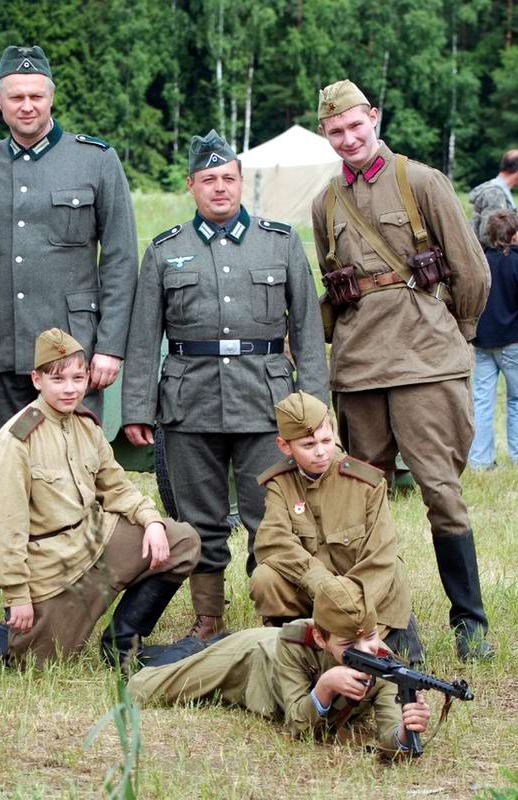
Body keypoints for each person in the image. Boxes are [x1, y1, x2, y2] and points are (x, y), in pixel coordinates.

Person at [310, 79, 493, 661]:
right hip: (360, 370)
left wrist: (455, 338)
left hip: (425, 365)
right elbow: (334, 286)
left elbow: (472, 271)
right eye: (336, 131)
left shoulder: (421, 182)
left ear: (374, 117)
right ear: (325, 135)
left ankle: (470, 623)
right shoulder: (325, 203)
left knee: (442, 491)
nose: (348, 138)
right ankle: (384, 623)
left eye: (356, 125)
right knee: (364, 503)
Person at [121, 130, 327, 641]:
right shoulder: (167, 251)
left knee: (271, 518)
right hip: (189, 403)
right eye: (208, 179)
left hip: (267, 403)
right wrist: (136, 409)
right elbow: (144, 337)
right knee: (199, 519)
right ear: (191, 185)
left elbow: (307, 328)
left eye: (228, 179)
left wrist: (316, 409)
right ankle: (209, 619)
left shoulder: (279, 243)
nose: (219, 188)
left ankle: (276, 619)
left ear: (242, 183)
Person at [0, 329, 200, 668]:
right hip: (53, 563)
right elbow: (4, 525)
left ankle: (121, 643)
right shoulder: (17, 440)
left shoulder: (87, 425)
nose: (70, 388)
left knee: (182, 541)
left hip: (96, 539)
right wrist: (17, 595)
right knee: (42, 662)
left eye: (78, 377)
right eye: (58, 379)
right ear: (37, 379)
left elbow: (115, 486)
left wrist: (151, 520)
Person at [0, 45, 139, 489]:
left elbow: (119, 258)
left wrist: (110, 346)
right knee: (3, 476)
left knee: (74, 477)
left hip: (71, 353)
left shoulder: (95, 160)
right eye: (16, 96)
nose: (27, 105)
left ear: (52, 98)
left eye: (36, 96)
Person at [128, 575, 432, 756]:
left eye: (371, 636)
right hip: (248, 657)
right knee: (144, 687)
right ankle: (188, 648)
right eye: (350, 646)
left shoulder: (386, 667)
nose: (366, 650)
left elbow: (390, 740)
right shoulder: (295, 643)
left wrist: (406, 731)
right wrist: (325, 688)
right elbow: (298, 727)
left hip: (268, 686)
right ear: (320, 637)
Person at [249, 391, 421, 663]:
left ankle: (343, 638)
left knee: (392, 572)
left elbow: (381, 554)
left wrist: (345, 602)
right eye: (308, 444)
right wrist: (322, 585)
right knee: (265, 578)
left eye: (326, 441)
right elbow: (274, 543)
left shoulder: (366, 482)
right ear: (284, 446)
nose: (320, 451)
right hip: (313, 594)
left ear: (334, 434)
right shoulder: (281, 484)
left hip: (365, 595)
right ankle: (302, 638)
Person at [468, 210, 518, 470]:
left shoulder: (481, 263)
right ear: (513, 235)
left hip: (483, 340)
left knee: (482, 399)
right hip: (513, 340)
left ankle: (480, 459)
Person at [469, 149, 518, 247]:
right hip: (490, 259)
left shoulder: (498, 191)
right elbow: (490, 236)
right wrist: (517, 240)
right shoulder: (495, 194)